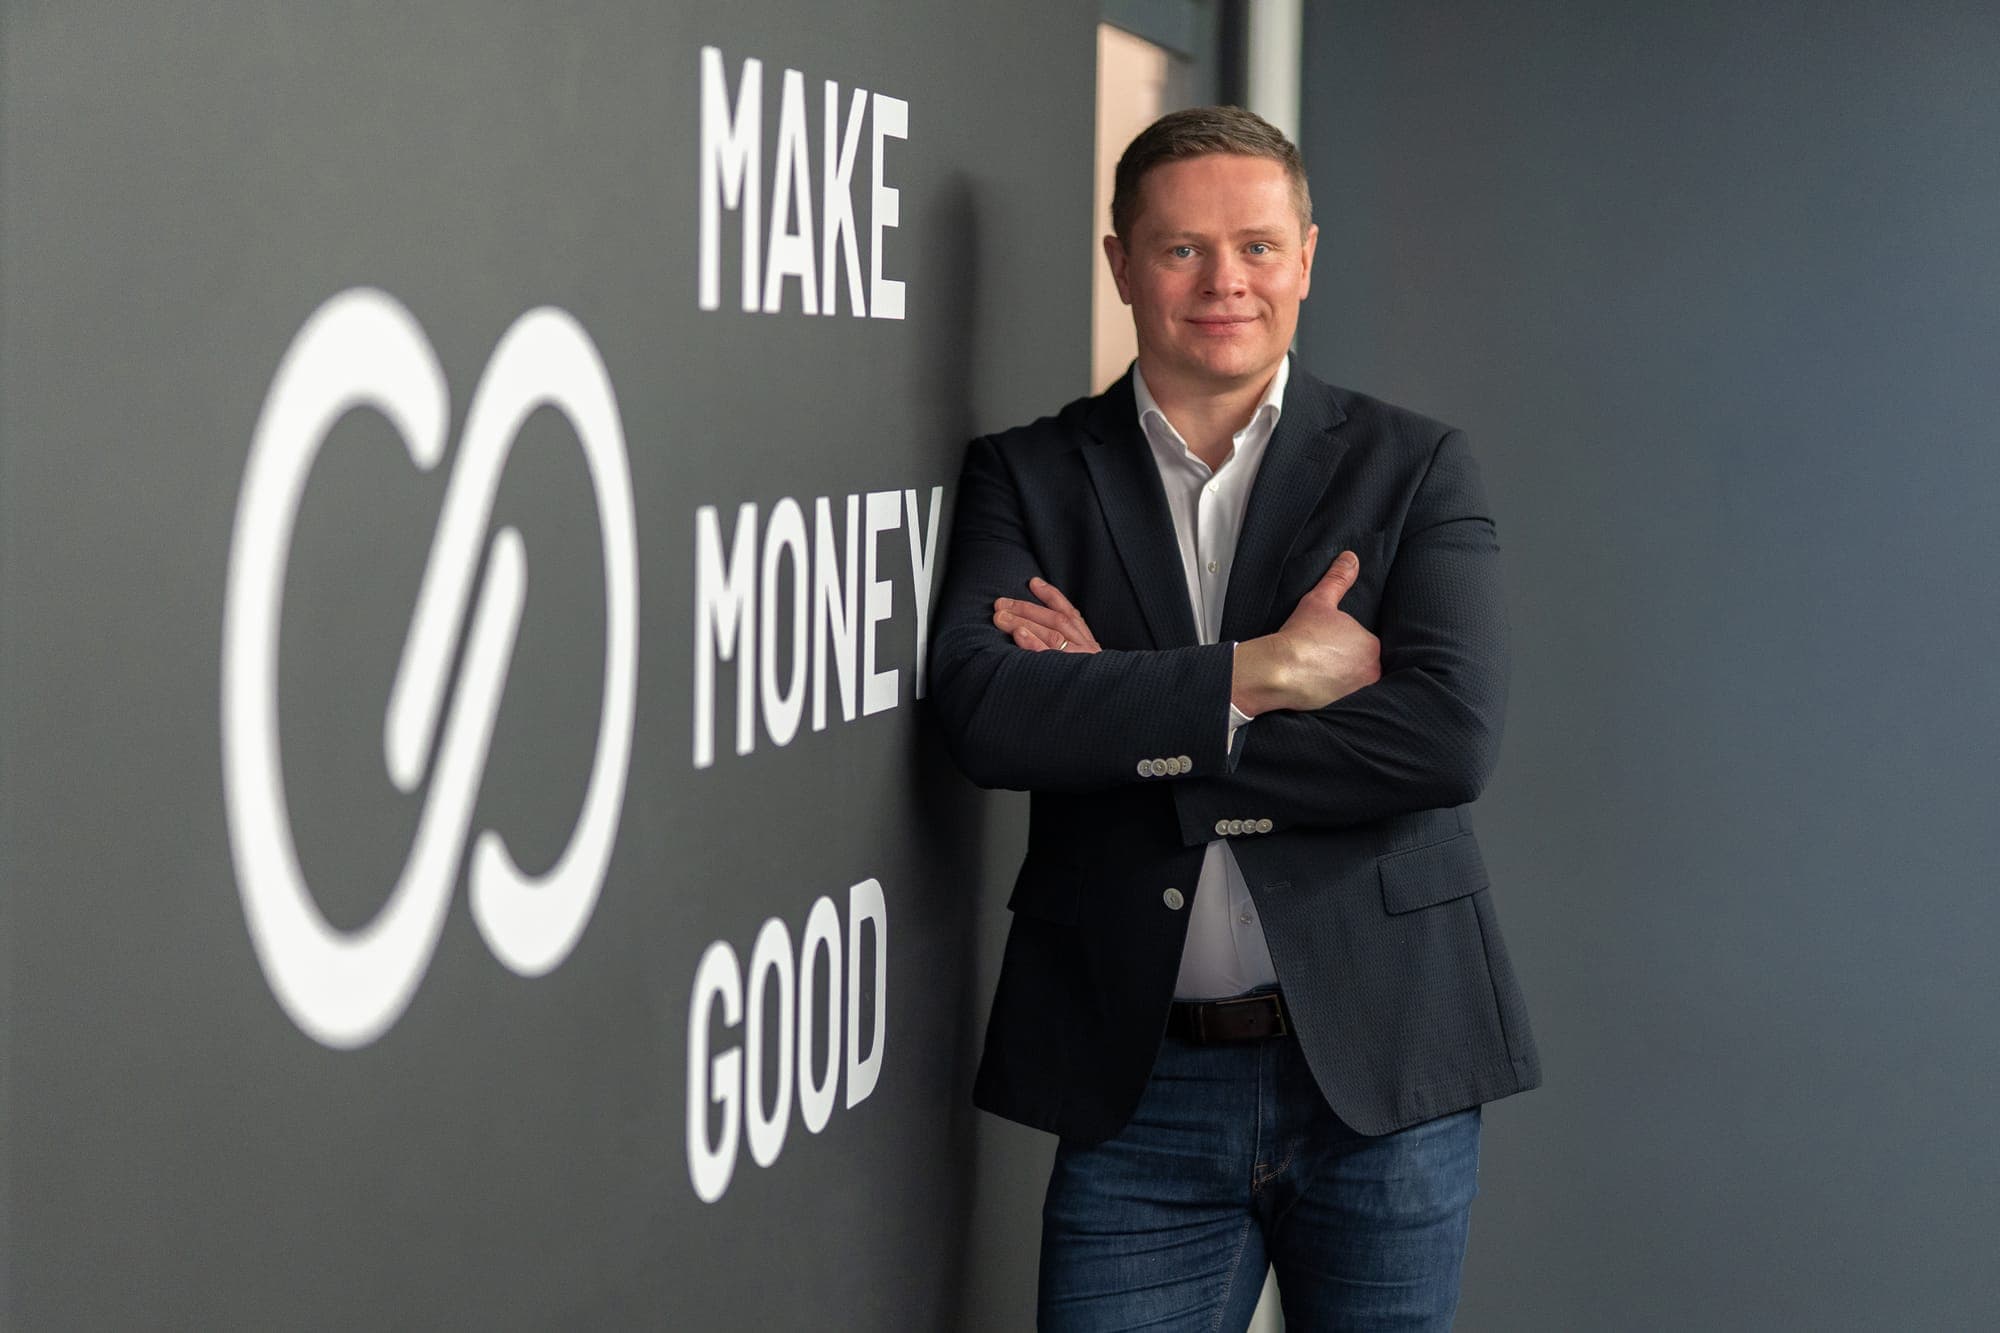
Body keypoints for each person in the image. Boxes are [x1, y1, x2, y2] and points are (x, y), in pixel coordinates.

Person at [927, 106, 1540, 1330]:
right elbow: (989, 717)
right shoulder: (1026, 474)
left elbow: (1445, 738)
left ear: (1304, 258)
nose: (1224, 281)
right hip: (1135, 1078)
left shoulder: (1413, 465)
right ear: (1120, 264)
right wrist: (1262, 671)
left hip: (1384, 1059)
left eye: (1256, 246)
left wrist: (1126, 708)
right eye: (1181, 249)